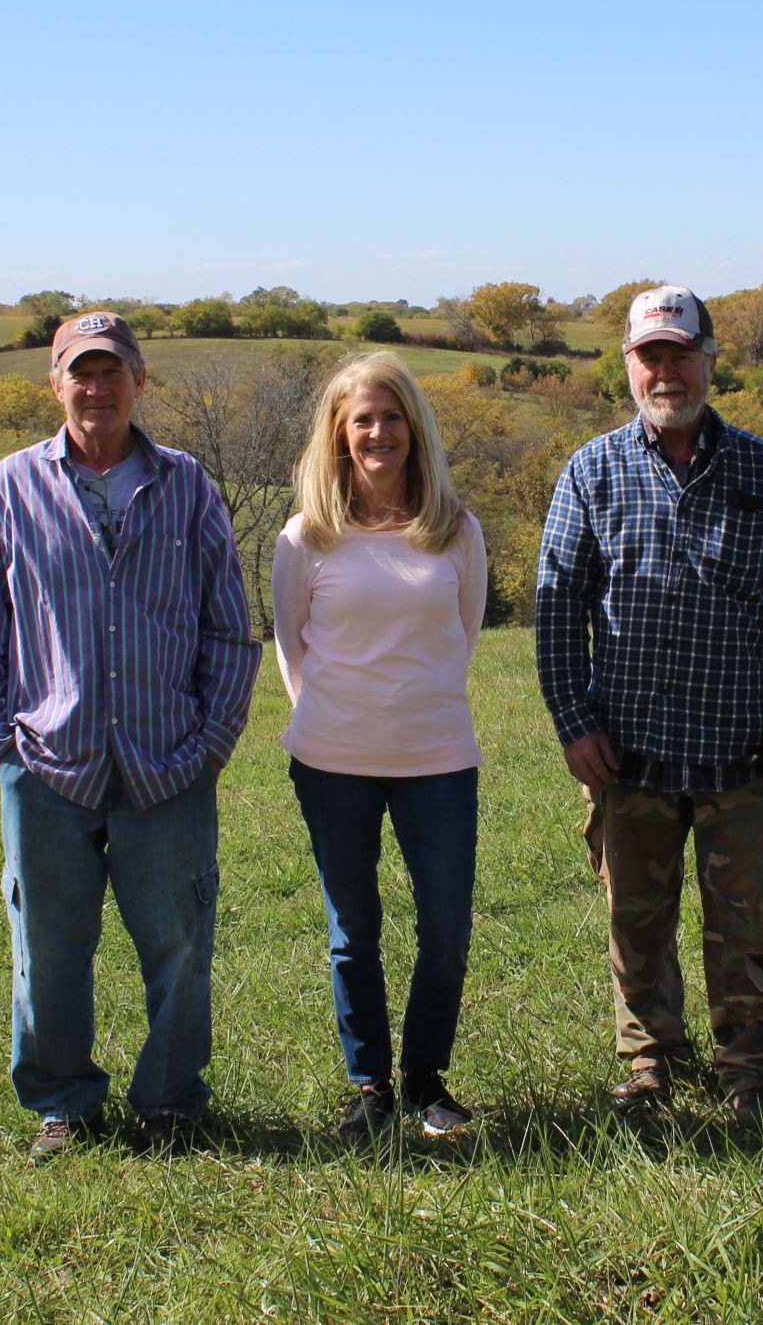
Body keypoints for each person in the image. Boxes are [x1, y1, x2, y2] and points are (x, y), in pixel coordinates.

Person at [0, 310, 260, 1158]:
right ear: (55, 384)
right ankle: (65, 1102)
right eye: (79, 372)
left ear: (140, 380)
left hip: (169, 763)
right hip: (49, 765)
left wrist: (212, 745)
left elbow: (231, 630)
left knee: (181, 944)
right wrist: (2, 748)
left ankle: (169, 1103)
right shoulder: (11, 488)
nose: (97, 387)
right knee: (47, 947)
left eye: (112, 370)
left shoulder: (188, 485)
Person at [534, 284, 763, 1121]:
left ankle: (757, 1074)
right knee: (637, 924)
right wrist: (574, 720)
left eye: (679, 353)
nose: (665, 371)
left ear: (710, 359)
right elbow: (557, 604)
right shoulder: (591, 472)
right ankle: (649, 1064)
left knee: (757, 924)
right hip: (626, 751)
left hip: (744, 748)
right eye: (649, 356)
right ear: (629, 365)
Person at [272, 352, 488, 1141]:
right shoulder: (306, 537)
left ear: (414, 428)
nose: (377, 432)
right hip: (331, 762)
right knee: (350, 929)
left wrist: (411, 707)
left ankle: (428, 1079)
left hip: (437, 759)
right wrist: (331, 716)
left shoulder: (455, 529)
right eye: (361, 418)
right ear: (338, 432)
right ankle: (369, 1085)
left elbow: (462, 636)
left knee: (446, 929)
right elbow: (289, 644)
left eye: (391, 416)